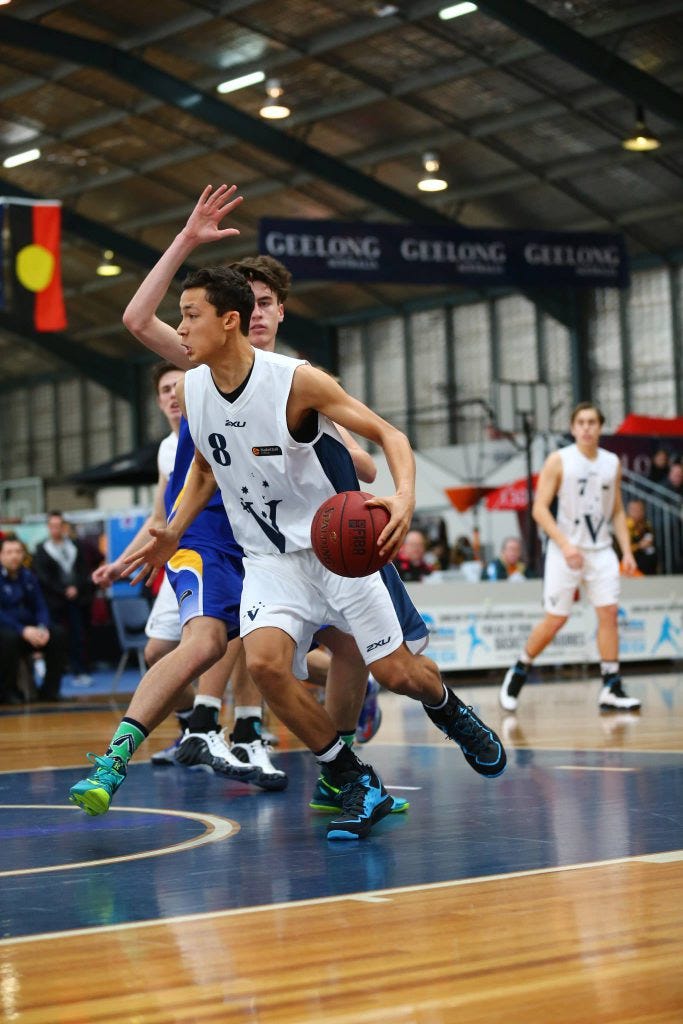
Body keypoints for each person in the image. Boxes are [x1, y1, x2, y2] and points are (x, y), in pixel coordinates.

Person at [499, 401, 640, 715]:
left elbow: (616, 510)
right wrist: (566, 545)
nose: (587, 427)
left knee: (609, 614)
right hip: (565, 551)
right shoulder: (559, 460)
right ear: (574, 428)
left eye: (593, 422)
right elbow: (538, 509)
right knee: (556, 619)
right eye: (581, 422)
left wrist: (627, 551)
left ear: (600, 427)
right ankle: (519, 670)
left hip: (601, 550)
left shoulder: (611, 462)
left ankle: (611, 686)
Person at [0, 535, 67, 703]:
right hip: (9, 630)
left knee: (57, 634)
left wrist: (42, 627)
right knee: (8, 638)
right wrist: (22, 630)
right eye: (9, 552)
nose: (14, 556)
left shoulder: (28, 576)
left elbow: (40, 606)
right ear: (1, 555)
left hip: (31, 630)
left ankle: (49, 691)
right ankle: (9, 692)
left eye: (18, 551)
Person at [32, 511, 93, 686]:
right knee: (57, 635)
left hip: (77, 599)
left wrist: (76, 588)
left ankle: (80, 669)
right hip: (54, 601)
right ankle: (58, 671)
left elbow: (83, 570)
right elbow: (43, 577)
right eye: (52, 526)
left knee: (78, 635)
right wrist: (62, 590)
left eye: (59, 526)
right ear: (48, 527)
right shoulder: (41, 549)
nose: (55, 529)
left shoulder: (75, 546)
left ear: (64, 527)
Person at [625, 499, 658, 576]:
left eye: (639, 509)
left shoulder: (646, 525)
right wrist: (639, 546)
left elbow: (650, 539)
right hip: (632, 563)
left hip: (648, 566)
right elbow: (623, 549)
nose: (637, 512)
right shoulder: (626, 526)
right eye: (633, 509)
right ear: (628, 511)